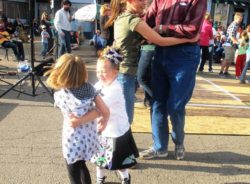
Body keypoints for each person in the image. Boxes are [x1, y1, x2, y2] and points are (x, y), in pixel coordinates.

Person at [105, 0, 200, 125]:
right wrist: (187, 40)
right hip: (125, 75)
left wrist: (153, 31)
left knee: (121, 117)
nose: (145, 3)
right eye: (141, 0)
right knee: (125, 120)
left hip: (120, 73)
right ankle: (115, 145)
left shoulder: (121, 17)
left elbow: (138, 40)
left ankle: (122, 145)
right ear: (129, 1)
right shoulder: (133, 21)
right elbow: (160, 41)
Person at [139, 0, 207, 160]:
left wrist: (162, 28)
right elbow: (146, 21)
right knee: (157, 103)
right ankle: (159, 147)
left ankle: (178, 141)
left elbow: (192, 30)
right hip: (161, 51)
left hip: (185, 55)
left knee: (176, 105)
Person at [45, 54, 110, 184]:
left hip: (73, 141)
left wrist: (79, 121)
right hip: (89, 139)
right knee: (82, 166)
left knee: (73, 171)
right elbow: (105, 111)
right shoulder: (90, 89)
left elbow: (72, 122)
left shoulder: (62, 95)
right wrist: (103, 121)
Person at [219, 12, 243, 77]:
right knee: (227, 59)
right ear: (236, 18)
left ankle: (226, 72)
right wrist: (237, 42)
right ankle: (221, 72)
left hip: (232, 45)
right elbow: (231, 36)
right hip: (228, 44)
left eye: (241, 19)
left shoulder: (236, 25)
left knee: (230, 59)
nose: (240, 20)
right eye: (239, 19)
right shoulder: (234, 25)